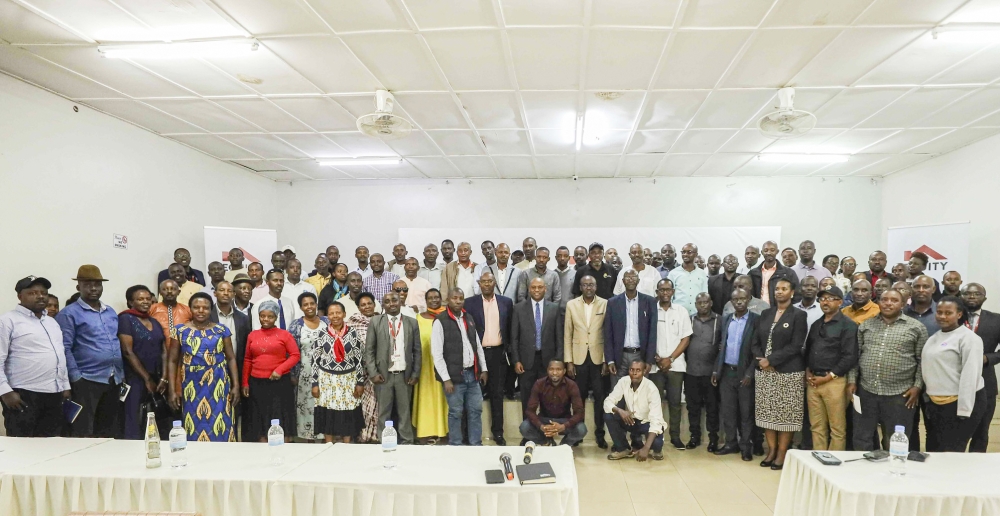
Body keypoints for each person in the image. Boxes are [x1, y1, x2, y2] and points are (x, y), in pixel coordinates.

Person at [848, 289, 927, 451]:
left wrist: (917, 386)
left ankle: (893, 472)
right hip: (866, 391)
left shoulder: (916, 328)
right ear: (878, 302)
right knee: (862, 437)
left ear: (903, 304)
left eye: (894, 300)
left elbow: (922, 360)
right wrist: (851, 381)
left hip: (900, 394)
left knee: (895, 440)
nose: (888, 303)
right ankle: (863, 473)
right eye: (884, 299)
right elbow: (856, 356)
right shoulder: (866, 325)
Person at [57, 265, 124, 438]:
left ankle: (105, 463)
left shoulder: (110, 312)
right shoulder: (69, 314)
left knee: (108, 429)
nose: (93, 288)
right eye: (87, 284)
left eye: (97, 284)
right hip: (86, 379)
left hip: (113, 378)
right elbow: (64, 348)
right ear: (78, 286)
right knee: (84, 430)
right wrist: (75, 377)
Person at [0, 276, 71, 437]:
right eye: (33, 293)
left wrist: (65, 385)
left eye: (44, 293)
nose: (40, 296)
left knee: (50, 445)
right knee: (22, 447)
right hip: (23, 395)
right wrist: (5, 391)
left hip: (54, 394)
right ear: (20, 296)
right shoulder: (8, 321)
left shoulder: (51, 322)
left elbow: (60, 355)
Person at [167, 293, 241, 441]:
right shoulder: (179, 331)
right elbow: (172, 361)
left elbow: (231, 358)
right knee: (193, 425)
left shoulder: (221, 330)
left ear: (211, 310)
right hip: (192, 386)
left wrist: (235, 386)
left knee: (222, 425)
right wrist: (172, 391)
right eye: (196, 307)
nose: (201, 310)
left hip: (219, 385)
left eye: (205, 308)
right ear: (190, 309)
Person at [752, 278, 808, 471]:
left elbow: (796, 345)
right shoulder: (765, 313)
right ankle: (772, 451)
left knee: (785, 417)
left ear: (792, 292)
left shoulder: (799, 315)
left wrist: (772, 360)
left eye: (784, 289)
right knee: (768, 414)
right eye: (777, 289)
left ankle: (782, 454)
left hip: (788, 373)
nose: (779, 292)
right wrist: (762, 361)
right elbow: (755, 341)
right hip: (765, 373)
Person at [921, 296, 985, 452]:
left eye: (948, 313)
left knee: (952, 453)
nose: (942, 316)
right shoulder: (934, 338)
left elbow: (970, 376)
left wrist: (964, 410)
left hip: (960, 405)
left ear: (959, 314)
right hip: (937, 405)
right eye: (939, 312)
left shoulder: (969, 339)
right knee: (935, 450)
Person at [431, 288, 489, 446]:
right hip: (454, 377)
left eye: (461, 298)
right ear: (448, 299)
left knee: (476, 411)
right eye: (454, 298)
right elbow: (437, 354)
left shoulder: (468, 317)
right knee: (456, 413)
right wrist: (446, 379)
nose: (458, 301)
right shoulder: (440, 321)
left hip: (473, 375)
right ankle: (456, 445)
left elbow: (477, 345)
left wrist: (483, 369)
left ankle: (475, 444)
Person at [804, 286, 857, 451]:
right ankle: (819, 459)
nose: (825, 302)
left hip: (834, 382)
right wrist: (807, 370)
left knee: (837, 429)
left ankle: (834, 465)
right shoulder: (816, 324)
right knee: (817, 426)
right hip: (813, 381)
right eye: (822, 299)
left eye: (830, 298)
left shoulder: (848, 325)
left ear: (840, 302)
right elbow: (809, 350)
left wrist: (828, 377)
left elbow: (849, 357)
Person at [364, 291, 421, 444]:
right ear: (383, 305)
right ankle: (385, 441)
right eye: (387, 301)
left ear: (400, 301)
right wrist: (373, 373)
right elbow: (369, 351)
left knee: (404, 411)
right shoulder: (375, 322)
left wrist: (415, 373)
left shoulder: (411, 322)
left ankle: (407, 440)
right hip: (383, 376)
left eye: (394, 300)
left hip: (405, 375)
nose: (392, 304)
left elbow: (417, 351)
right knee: (384, 412)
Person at [464, 272, 513, 445]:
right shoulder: (470, 303)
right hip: (477, 354)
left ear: (494, 283)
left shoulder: (506, 302)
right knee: (472, 394)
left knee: (497, 394)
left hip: (498, 354)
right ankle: (468, 434)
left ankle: (498, 433)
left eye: (489, 281)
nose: (486, 284)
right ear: (479, 283)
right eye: (483, 281)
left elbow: (509, 329)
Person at [241, 300, 300, 442]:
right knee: (261, 417)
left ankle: (285, 448)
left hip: (279, 383)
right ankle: (263, 450)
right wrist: (245, 383)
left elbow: (295, 355)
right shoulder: (252, 335)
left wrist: (279, 370)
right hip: (257, 384)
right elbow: (248, 359)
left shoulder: (284, 335)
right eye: (262, 316)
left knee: (280, 415)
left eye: (270, 316)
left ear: (276, 317)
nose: (266, 319)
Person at [713, 288, 759, 461]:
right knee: (728, 411)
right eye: (735, 299)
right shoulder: (726, 320)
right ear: (731, 302)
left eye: (742, 299)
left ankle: (746, 446)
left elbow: (758, 350)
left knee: (746, 413)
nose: (739, 302)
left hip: (745, 374)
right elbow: (721, 347)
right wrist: (716, 370)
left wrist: (749, 373)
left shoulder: (756, 320)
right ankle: (731, 443)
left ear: (748, 299)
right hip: (726, 372)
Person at [564, 274, 609, 449]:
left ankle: (600, 434)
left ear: (596, 287)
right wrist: (569, 361)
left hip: (598, 358)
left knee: (600, 397)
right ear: (580, 287)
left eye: (591, 285)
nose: (588, 288)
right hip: (578, 358)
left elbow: (607, 333)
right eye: (585, 285)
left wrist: (606, 360)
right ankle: (578, 434)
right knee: (578, 398)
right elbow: (567, 334)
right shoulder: (571, 305)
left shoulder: (605, 304)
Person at [310, 302, 365, 443]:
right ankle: (329, 443)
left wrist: (360, 382)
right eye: (331, 313)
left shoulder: (353, 333)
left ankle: (346, 444)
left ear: (344, 314)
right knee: (329, 413)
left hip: (348, 379)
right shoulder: (321, 334)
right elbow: (315, 360)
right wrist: (314, 383)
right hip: (327, 379)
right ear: (327, 316)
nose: (335, 316)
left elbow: (359, 360)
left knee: (347, 412)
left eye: (338, 312)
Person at [650, 278, 693, 451]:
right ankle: (655, 436)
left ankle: (675, 436)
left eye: (668, 289)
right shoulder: (651, 310)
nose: (665, 293)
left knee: (675, 402)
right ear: (657, 292)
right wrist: (657, 358)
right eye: (662, 290)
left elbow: (686, 338)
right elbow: (647, 336)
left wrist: (671, 359)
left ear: (673, 292)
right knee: (655, 402)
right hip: (655, 365)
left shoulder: (681, 311)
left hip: (676, 365)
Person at [118, 285, 166, 440]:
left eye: (147, 298)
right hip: (135, 378)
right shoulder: (126, 319)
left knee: (155, 418)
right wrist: (146, 379)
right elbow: (127, 351)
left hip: (157, 378)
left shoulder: (154, 321)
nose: (145, 302)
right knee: (134, 417)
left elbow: (164, 350)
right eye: (140, 299)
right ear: (130, 302)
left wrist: (164, 377)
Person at [511, 278, 563, 411]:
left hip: (548, 362)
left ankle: (545, 428)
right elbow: (514, 338)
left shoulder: (554, 308)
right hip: (526, 362)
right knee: (527, 399)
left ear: (545, 289)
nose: (536, 290)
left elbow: (559, 337)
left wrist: (557, 361)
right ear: (529, 289)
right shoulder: (518, 308)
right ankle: (528, 429)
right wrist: (516, 360)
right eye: (533, 287)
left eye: (540, 287)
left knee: (548, 398)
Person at [961, 283, 1000, 452]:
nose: (972, 296)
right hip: (956, 380)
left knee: (981, 431)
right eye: (967, 293)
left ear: (984, 297)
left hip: (986, 380)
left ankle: (976, 467)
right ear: (961, 297)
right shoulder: (951, 316)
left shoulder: (996, 319)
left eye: (977, 293)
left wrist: (987, 358)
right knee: (957, 430)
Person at [604, 359, 666, 461]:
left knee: (657, 444)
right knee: (608, 414)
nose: (634, 373)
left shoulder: (651, 388)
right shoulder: (623, 381)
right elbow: (608, 401)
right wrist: (620, 411)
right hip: (631, 420)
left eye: (638, 370)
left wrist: (646, 448)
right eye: (632, 370)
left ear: (644, 371)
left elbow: (656, 420)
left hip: (648, 423)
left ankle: (654, 449)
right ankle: (623, 449)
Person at [289, 292, 328, 441]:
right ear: (301, 307)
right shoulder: (296, 325)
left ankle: (324, 435)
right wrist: (293, 373)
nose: (309, 306)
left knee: (323, 404)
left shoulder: (327, 321)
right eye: (305, 304)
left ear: (316, 304)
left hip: (327, 373)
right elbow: (291, 351)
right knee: (306, 405)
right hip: (305, 374)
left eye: (312, 303)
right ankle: (306, 437)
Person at [519, 360, 587, 446]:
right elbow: (530, 410)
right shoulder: (539, 384)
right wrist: (541, 426)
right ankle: (546, 442)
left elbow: (579, 412)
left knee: (581, 429)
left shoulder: (571, 385)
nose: (554, 373)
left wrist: (563, 426)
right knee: (524, 427)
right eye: (551, 369)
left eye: (558, 369)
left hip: (564, 421)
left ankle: (563, 446)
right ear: (547, 370)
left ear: (564, 371)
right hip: (544, 420)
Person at [412, 289, 449, 443]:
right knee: (425, 399)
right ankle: (425, 431)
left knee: (443, 399)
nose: (434, 300)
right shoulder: (417, 318)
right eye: (430, 298)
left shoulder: (447, 317)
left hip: (444, 367)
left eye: (436, 297)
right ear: (425, 301)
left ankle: (443, 431)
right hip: (424, 367)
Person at [604, 270, 657, 378]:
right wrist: (610, 360)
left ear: (638, 280)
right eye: (627, 277)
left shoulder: (649, 301)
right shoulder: (612, 302)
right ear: (623, 281)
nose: (631, 280)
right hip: (619, 356)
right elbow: (608, 333)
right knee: (618, 392)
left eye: (633, 277)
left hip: (640, 355)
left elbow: (652, 333)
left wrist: (649, 360)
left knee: (640, 392)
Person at [685, 292, 722, 451]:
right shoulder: (690, 319)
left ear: (711, 302)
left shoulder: (720, 320)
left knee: (712, 407)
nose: (702, 305)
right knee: (692, 407)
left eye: (705, 302)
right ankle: (694, 436)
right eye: (699, 302)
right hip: (691, 371)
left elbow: (722, 345)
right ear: (695, 304)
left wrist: (716, 370)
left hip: (710, 373)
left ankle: (713, 438)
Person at [346, 292, 380, 442]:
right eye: (363, 305)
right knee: (363, 405)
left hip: (380, 371)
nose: (367, 307)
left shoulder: (382, 320)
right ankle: (363, 436)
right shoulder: (353, 323)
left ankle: (375, 436)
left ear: (374, 304)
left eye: (369, 303)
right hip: (360, 372)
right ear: (358, 308)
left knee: (378, 406)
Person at [750, 241, 799, 306]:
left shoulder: (788, 273)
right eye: (766, 250)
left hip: (780, 312)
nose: (769, 253)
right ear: (762, 252)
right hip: (758, 311)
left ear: (777, 251)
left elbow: (797, 295)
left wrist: (788, 310)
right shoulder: (753, 273)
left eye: (772, 250)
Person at [667, 243, 709, 315]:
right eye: (683, 252)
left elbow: (704, 295)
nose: (685, 254)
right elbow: (669, 296)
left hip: (697, 315)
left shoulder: (702, 274)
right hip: (677, 314)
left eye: (689, 252)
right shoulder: (673, 273)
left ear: (696, 254)